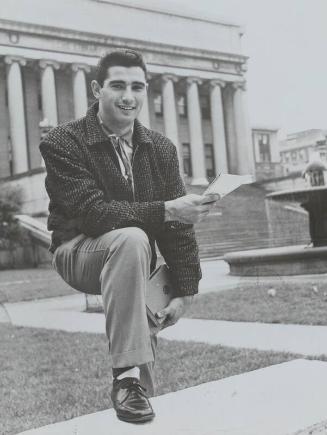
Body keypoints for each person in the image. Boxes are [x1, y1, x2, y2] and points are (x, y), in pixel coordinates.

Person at [40, 49, 219, 424]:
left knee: (143, 319)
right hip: (78, 251)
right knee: (133, 239)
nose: (128, 96)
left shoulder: (162, 149)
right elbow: (94, 214)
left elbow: (178, 230)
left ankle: (135, 394)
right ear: (96, 89)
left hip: (134, 260)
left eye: (137, 87)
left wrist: (185, 292)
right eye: (117, 85)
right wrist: (169, 209)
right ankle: (125, 376)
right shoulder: (63, 141)